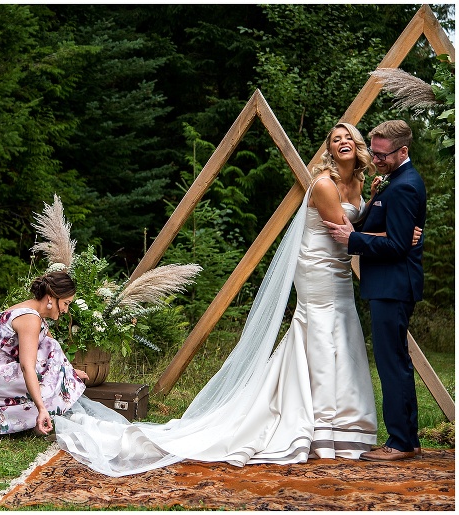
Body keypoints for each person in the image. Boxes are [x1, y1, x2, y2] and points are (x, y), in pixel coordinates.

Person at [53, 123, 421, 477]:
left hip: (341, 267)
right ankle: (321, 424)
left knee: (343, 331)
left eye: (348, 137)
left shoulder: (363, 182)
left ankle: (346, 426)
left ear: (357, 146)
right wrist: (400, 235)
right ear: (328, 149)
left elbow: (363, 226)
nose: (341, 141)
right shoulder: (324, 185)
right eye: (335, 138)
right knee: (322, 330)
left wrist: (385, 217)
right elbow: (348, 232)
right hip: (319, 267)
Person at [324, 120, 426, 462]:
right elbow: (387, 230)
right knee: (394, 361)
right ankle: (406, 439)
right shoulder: (390, 182)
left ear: (403, 151)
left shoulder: (405, 186)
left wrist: (352, 240)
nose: (377, 160)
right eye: (376, 153)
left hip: (394, 286)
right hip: (387, 285)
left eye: (383, 155)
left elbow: (397, 245)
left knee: (392, 363)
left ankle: (399, 442)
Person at [0, 272, 89, 442]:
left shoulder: (31, 312)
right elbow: (27, 366)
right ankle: (36, 420)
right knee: (49, 355)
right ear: (52, 297)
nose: (66, 310)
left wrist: (70, 372)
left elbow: (55, 356)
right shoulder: (30, 318)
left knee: (51, 348)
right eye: (66, 303)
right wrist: (42, 408)